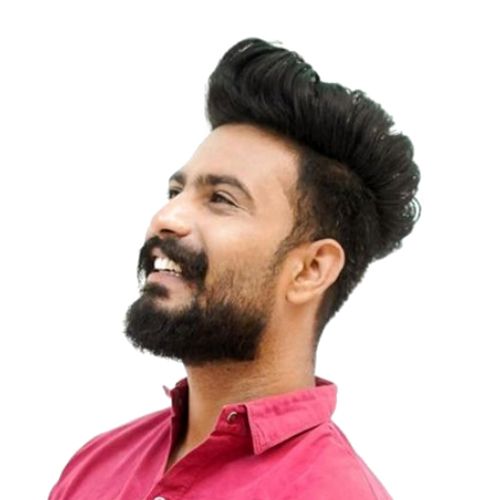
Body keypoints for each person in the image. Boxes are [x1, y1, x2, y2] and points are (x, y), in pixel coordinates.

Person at [49, 37, 420, 499]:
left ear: (310, 270)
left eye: (221, 199)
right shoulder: (97, 465)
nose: (167, 217)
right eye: (175, 192)